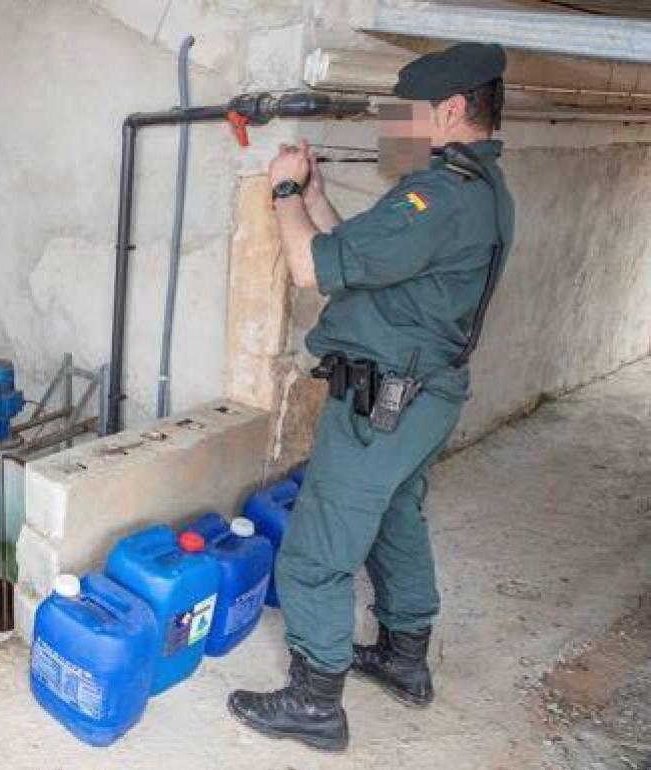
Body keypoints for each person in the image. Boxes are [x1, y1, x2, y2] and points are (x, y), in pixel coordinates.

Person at [226, 42, 515, 752]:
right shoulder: (476, 190)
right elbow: (363, 258)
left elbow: (310, 267)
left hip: (382, 406)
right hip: (426, 398)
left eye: (406, 116)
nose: (395, 131)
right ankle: (405, 658)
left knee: (316, 551)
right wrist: (319, 198)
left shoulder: (437, 197)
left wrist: (285, 192)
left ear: (450, 110)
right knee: (396, 522)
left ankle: (315, 703)